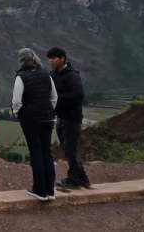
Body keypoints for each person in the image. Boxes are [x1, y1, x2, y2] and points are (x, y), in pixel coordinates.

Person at [12, 48, 58, 201]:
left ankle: (39, 190)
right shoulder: (46, 74)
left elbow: (17, 101)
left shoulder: (21, 76)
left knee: (36, 153)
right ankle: (50, 190)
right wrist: (48, 111)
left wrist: (19, 114)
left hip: (30, 120)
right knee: (47, 152)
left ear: (21, 60)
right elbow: (54, 97)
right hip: (48, 119)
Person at [47, 47, 91, 188]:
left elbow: (78, 95)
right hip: (60, 117)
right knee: (67, 149)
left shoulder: (72, 75)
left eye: (54, 58)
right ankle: (82, 178)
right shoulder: (52, 75)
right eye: (50, 58)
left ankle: (73, 179)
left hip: (72, 118)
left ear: (62, 59)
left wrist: (57, 99)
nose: (51, 61)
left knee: (70, 149)